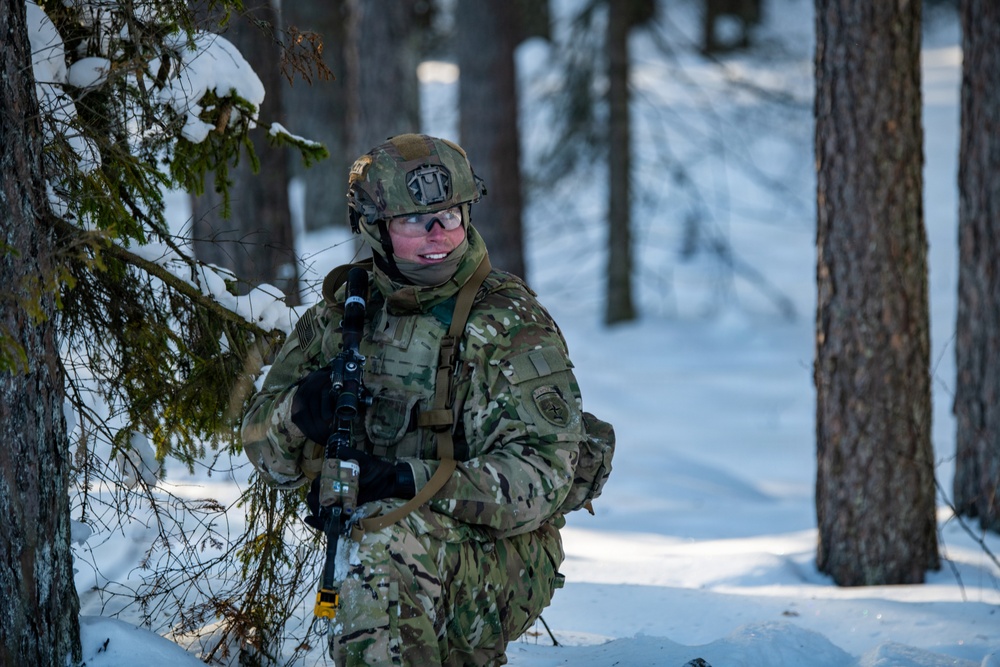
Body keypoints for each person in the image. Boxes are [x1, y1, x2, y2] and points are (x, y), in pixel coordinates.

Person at [241, 133, 589, 666]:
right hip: (394, 541)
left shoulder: (508, 323)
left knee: (382, 547)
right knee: (380, 545)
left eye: (450, 216)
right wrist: (297, 415)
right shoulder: (342, 318)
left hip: (506, 554)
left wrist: (403, 479)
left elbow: (542, 477)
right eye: (413, 220)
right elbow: (266, 455)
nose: (438, 235)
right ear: (375, 228)